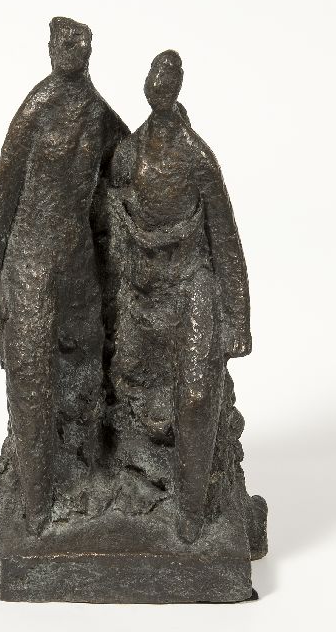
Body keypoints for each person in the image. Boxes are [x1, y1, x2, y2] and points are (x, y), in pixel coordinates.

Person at [0, 17, 128, 534]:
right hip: (31, 260)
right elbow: (3, 188)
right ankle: (36, 505)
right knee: (31, 372)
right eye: (65, 41)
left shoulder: (97, 112)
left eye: (81, 40)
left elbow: (129, 158)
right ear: (50, 47)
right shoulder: (36, 109)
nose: (73, 48)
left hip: (77, 258)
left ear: (91, 48)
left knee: (89, 355)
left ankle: (86, 467)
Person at [108, 50, 250, 542]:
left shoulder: (196, 157)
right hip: (141, 289)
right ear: (148, 85)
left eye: (170, 77)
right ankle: (133, 479)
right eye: (155, 75)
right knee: (130, 387)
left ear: (179, 86)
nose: (160, 85)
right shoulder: (128, 153)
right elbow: (110, 224)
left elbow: (225, 239)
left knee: (195, 395)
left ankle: (191, 511)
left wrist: (238, 320)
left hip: (191, 282)